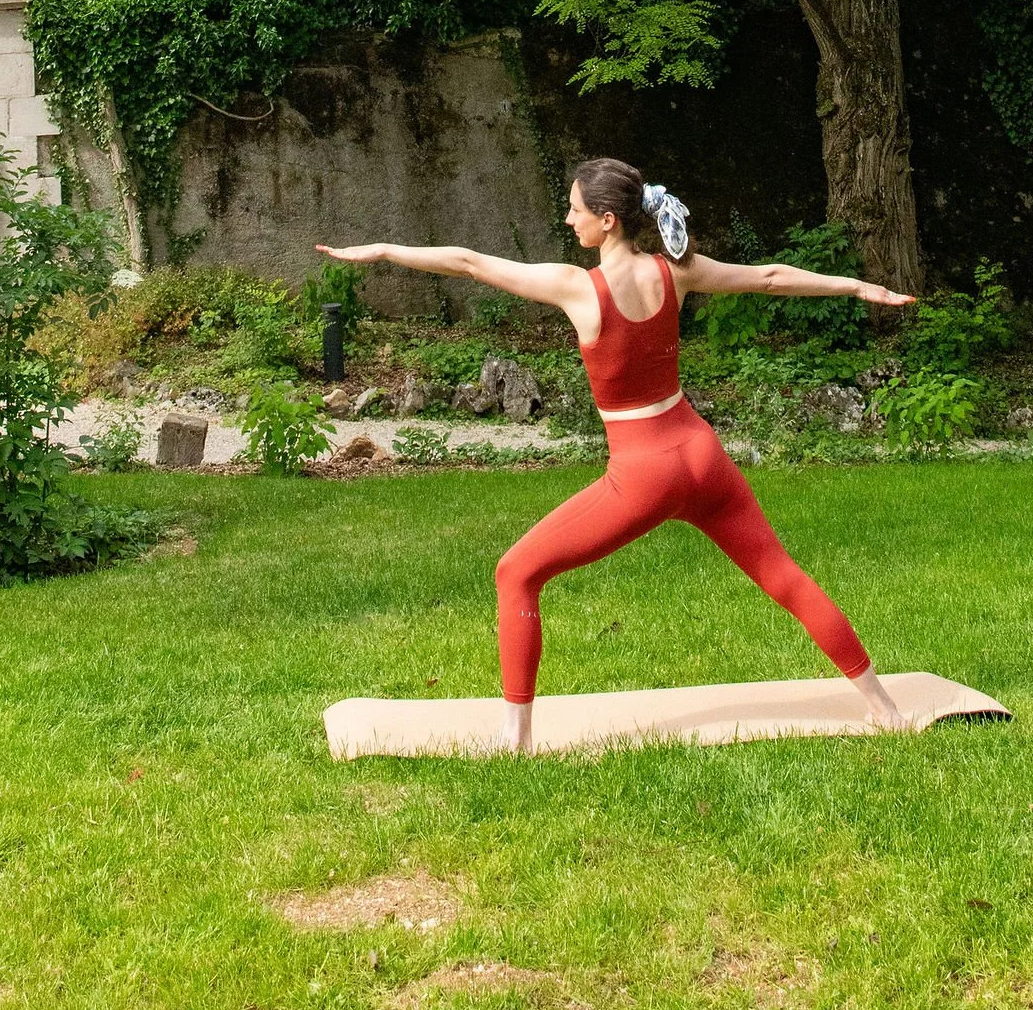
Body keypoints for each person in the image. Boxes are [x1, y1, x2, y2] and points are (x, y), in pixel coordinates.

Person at [317, 156, 917, 752]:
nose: (568, 218)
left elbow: (470, 264)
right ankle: (883, 709)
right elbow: (769, 277)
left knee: (516, 573)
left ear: (607, 220)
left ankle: (515, 737)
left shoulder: (578, 288)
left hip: (645, 472)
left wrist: (384, 251)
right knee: (783, 576)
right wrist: (860, 286)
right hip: (701, 454)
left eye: (575, 210)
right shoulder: (675, 271)